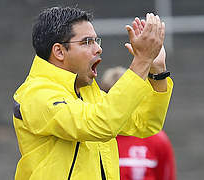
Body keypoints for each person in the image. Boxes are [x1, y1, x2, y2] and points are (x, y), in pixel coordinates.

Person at [12, 6, 173, 180]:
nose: (98, 49)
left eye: (97, 41)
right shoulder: (37, 94)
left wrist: (157, 72)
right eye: (87, 42)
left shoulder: (88, 91)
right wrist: (142, 60)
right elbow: (101, 123)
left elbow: (145, 124)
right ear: (59, 51)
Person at [101, 66, 176, 180]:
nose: (119, 107)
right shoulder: (94, 136)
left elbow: (167, 176)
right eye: (113, 99)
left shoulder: (157, 139)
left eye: (124, 99)